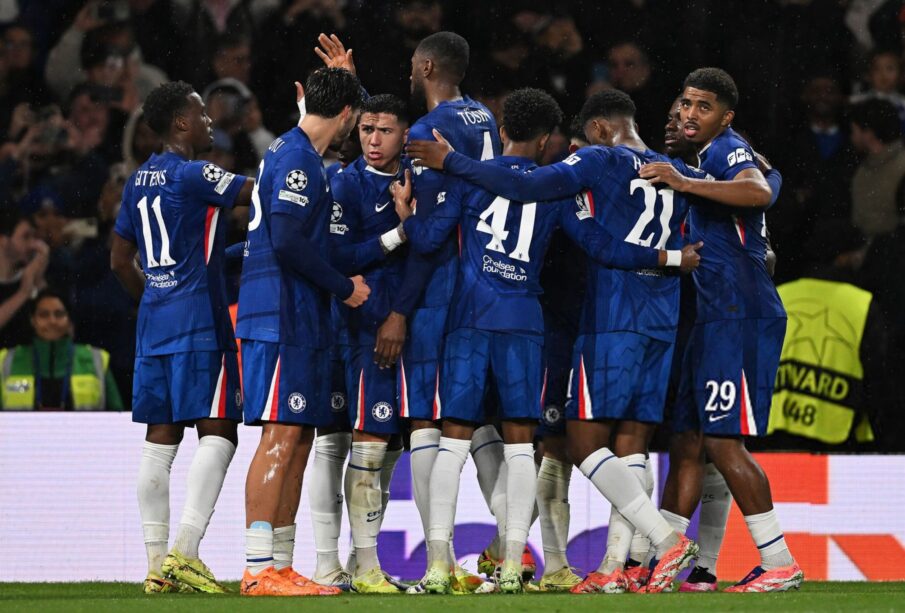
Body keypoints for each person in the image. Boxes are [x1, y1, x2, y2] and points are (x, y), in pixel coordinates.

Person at [406, 87, 724, 594]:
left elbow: (428, 239)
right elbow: (597, 242)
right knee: (529, 446)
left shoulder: (481, 179)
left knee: (457, 440)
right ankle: (521, 566)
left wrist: (415, 206)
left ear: (503, 131)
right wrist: (671, 258)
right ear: (546, 139)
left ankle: (438, 566)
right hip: (538, 323)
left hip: (478, 319)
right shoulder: (648, 177)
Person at [637, 67, 803, 593]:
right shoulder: (705, 161)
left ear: (726, 117)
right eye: (685, 103)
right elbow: (767, 181)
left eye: (703, 107)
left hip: (740, 313)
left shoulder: (725, 151)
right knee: (687, 440)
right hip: (712, 317)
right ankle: (670, 560)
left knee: (724, 442)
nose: (689, 114)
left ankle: (779, 562)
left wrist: (685, 180)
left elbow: (759, 190)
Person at [368, 30, 503, 594]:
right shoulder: (485, 118)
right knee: (478, 418)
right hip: (490, 281)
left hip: (441, 289)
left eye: (411, 64)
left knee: (425, 417)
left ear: (425, 67)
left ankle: (439, 563)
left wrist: (401, 308)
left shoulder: (428, 131)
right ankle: (512, 551)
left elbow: (431, 234)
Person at [110, 80, 254, 594]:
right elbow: (258, 193)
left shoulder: (137, 180)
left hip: (155, 324)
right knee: (219, 430)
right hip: (199, 323)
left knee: (160, 439)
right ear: (179, 123)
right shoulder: (194, 173)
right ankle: (186, 553)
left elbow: (119, 260)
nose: (209, 121)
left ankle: (156, 566)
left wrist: (155, 296)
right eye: (200, 114)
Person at [236, 66, 368, 598]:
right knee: (281, 435)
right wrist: (344, 287)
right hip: (279, 316)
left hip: (298, 317)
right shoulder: (297, 159)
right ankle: (256, 568)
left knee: (299, 435)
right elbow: (288, 241)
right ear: (347, 115)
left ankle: (280, 565)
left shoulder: (297, 152)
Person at [312, 93, 412, 593]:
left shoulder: (416, 178)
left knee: (386, 447)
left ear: (405, 135)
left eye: (385, 130)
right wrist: (398, 234)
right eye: (367, 129)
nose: (373, 139)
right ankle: (340, 564)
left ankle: (359, 561)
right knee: (354, 445)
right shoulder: (344, 183)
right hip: (357, 331)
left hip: (403, 327)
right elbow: (335, 256)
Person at [0, 288, 122, 410]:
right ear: (33, 320)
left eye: (59, 314)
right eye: (44, 315)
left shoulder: (96, 359)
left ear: (69, 320)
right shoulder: (6, 361)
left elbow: (118, 415)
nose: (52, 321)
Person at [849, 98, 905, 240]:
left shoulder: (901, 169)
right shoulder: (862, 168)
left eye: (854, 131)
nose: (852, 137)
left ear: (868, 134)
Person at [0, 211, 48, 348]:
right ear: (3, 240)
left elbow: (62, 328)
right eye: (26, 237)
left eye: (34, 237)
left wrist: (38, 279)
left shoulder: (29, 276)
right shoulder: (24, 287)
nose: (33, 244)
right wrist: (23, 293)